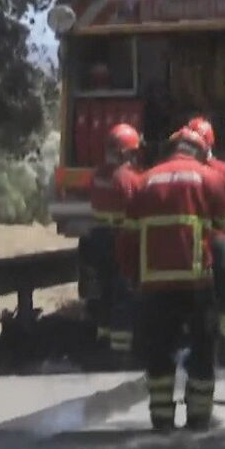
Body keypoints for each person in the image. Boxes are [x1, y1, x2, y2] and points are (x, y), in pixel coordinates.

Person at [130, 127, 225, 430]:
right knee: (203, 348)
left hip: (154, 286)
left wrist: (133, 279)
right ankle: (199, 417)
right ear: (202, 152)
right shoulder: (210, 178)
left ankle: (162, 419)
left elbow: (126, 238)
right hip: (196, 284)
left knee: (159, 350)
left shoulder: (144, 181)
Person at [186, 116, 225, 363]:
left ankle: (200, 338)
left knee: (195, 292)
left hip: (192, 241)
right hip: (221, 239)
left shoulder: (179, 171)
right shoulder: (223, 171)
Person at [81, 124, 141, 357]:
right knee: (123, 292)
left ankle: (102, 340)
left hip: (99, 237)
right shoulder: (126, 178)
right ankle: (121, 349)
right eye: (133, 151)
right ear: (126, 152)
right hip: (119, 239)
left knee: (105, 290)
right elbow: (139, 200)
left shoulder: (97, 175)